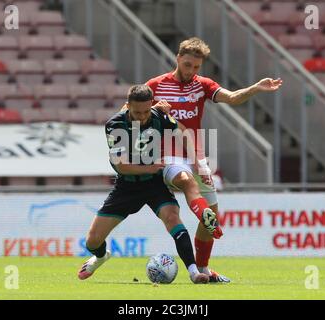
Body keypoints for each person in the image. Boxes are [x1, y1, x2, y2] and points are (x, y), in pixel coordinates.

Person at [146, 37, 283, 283]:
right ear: (177, 58)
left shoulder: (202, 85)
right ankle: (201, 215)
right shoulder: (156, 85)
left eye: (196, 67)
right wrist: (153, 112)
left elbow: (231, 97)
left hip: (196, 156)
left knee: (212, 217)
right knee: (185, 180)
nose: (191, 71)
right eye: (187, 65)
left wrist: (255, 88)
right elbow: (132, 108)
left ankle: (203, 270)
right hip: (167, 155)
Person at [77, 84, 210, 284]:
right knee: (92, 241)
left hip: (154, 184)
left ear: (152, 105)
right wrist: (150, 167)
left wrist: (197, 162)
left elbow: (183, 132)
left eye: (147, 111)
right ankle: (101, 256)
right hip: (127, 187)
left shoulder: (159, 116)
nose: (142, 116)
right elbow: (122, 166)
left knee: (173, 218)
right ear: (127, 106)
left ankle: (194, 272)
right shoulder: (115, 125)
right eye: (137, 112)